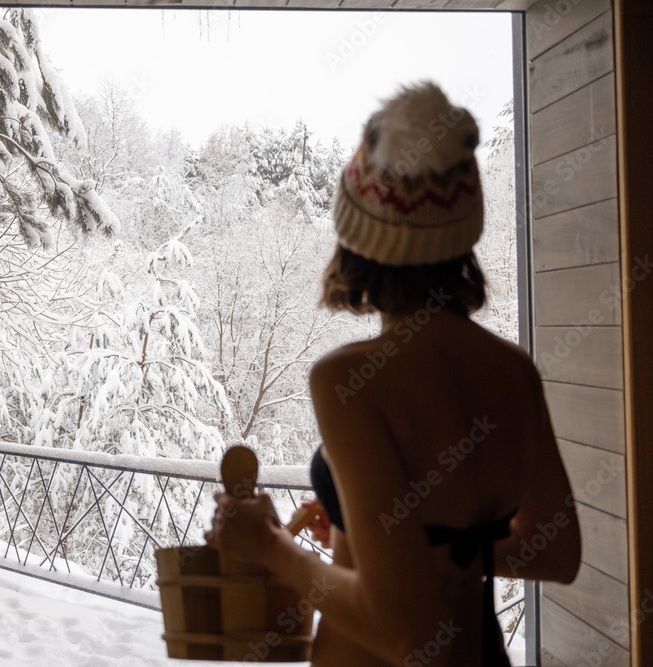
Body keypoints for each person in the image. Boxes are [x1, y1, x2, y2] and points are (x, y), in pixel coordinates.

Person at [205, 82, 581, 666]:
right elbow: (556, 552)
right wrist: (407, 549)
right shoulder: (514, 373)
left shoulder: (352, 380)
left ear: (359, 237)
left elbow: (403, 630)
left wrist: (272, 548)